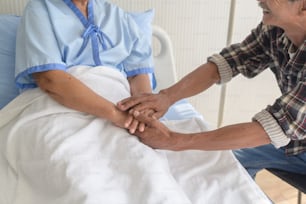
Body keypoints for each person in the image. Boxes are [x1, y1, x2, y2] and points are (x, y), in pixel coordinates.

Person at [117, 0, 306, 178]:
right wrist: (166, 97)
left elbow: (272, 128)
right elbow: (229, 62)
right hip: (296, 140)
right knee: (225, 165)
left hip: (294, 139)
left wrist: (173, 140)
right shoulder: (275, 29)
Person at [15, 0, 153, 134]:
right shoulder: (40, 9)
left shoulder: (118, 16)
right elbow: (50, 80)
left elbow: (137, 74)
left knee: (143, 152)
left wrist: (143, 115)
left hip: (122, 109)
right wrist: (116, 115)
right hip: (62, 107)